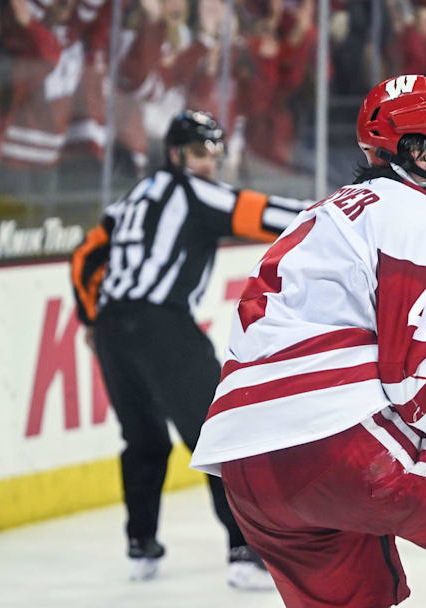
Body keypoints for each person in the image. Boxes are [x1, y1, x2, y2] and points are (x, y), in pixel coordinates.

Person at [188, 75, 426, 608]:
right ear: (416, 151)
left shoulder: (327, 213)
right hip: (333, 447)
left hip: (246, 474)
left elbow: (363, 360)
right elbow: (420, 395)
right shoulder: (418, 216)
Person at [69, 110, 308, 587]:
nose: (209, 165)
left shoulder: (131, 199)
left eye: (215, 155)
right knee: (219, 433)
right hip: (163, 323)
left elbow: (84, 256)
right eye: (200, 154)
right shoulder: (192, 190)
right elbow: (265, 215)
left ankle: (142, 547)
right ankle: (245, 554)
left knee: (144, 440)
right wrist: (346, 210)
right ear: (177, 154)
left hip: (114, 330)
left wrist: (91, 316)